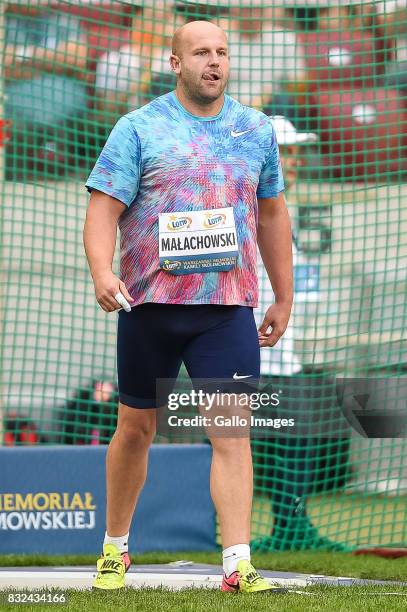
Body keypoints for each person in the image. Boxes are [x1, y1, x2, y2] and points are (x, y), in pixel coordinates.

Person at [84, 20, 293, 594]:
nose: (214, 61)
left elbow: (273, 213)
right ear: (175, 62)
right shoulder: (139, 128)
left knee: (231, 433)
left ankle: (237, 563)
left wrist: (284, 293)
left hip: (226, 308)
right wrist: (103, 272)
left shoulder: (255, 129)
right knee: (135, 429)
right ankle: (115, 551)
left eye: (222, 52)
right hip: (149, 304)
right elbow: (103, 210)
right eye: (201, 52)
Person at [251, 116, 349, 552]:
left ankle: (292, 527)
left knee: (291, 439)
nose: (292, 159)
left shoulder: (277, 205)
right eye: (284, 150)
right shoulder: (250, 203)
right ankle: (255, 532)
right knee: (242, 443)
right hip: (244, 350)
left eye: (294, 151)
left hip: (278, 353)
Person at [4, 6, 88, 180]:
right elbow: (4, 63)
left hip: (64, 92)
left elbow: (77, 58)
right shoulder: (6, 22)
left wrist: (25, 57)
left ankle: (60, 163)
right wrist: (52, 61)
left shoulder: (65, 21)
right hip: (17, 95)